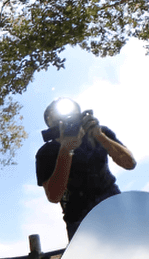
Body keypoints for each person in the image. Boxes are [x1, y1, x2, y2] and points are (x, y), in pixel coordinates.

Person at [36, 97, 136, 240]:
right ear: (50, 125)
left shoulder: (97, 133)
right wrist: (67, 149)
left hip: (115, 206)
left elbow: (129, 163)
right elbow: (54, 196)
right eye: (55, 116)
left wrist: (100, 136)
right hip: (81, 222)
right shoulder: (46, 152)